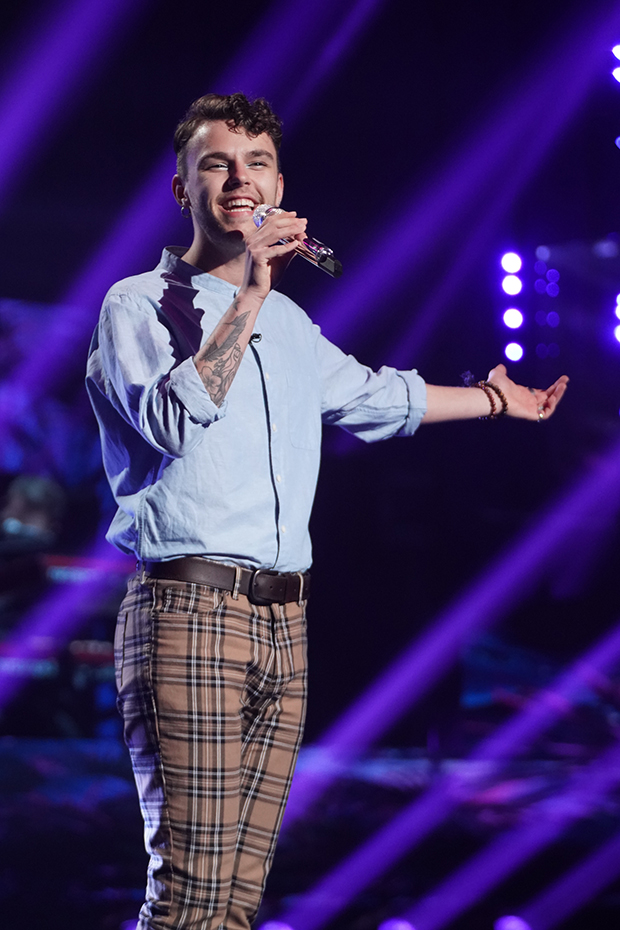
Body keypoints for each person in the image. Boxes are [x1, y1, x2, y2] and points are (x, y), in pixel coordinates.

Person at [86, 92, 568, 930]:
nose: (240, 180)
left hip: (284, 621)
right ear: (182, 189)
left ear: (280, 186)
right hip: (188, 609)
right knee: (189, 892)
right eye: (216, 164)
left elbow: (378, 398)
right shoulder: (139, 304)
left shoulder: (290, 324)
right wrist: (249, 292)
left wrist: (498, 401)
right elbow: (168, 420)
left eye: (258, 164)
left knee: (237, 900)